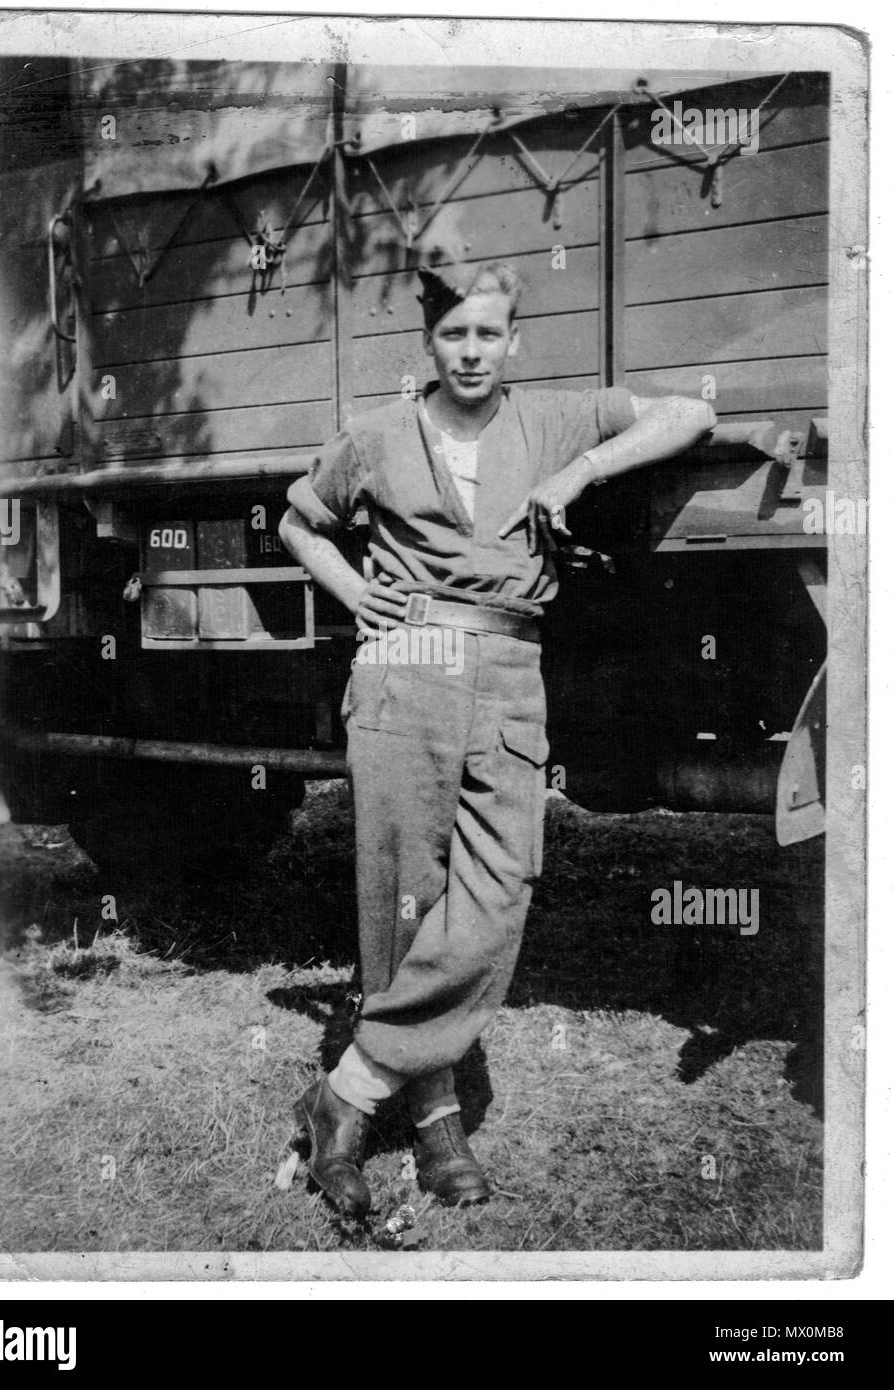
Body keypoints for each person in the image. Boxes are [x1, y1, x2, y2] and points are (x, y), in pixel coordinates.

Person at [278, 260, 716, 1217]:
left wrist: (583, 468)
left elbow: (691, 414)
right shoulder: (380, 435)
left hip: (511, 674)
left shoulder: (553, 420)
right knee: (401, 899)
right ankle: (434, 1116)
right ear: (427, 345)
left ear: (512, 341)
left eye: (487, 335)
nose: (470, 353)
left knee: (498, 885)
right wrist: (356, 595)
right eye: (452, 337)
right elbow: (297, 521)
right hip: (406, 667)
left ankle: (346, 1089)